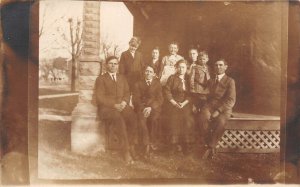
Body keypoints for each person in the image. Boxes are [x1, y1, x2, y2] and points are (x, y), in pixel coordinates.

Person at [95, 56, 138, 164]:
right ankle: (126, 151)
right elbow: (100, 97)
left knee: (133, 117)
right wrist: (114, 105)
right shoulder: (101, 79)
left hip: (122, 105)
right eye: (111, 63)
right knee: (119, 120)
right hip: (107, 108)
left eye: (115, 64)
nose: (113, 66)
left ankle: (131, 145)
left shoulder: (122, 77)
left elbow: (127, 93)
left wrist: (124, 102)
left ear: (118, 66)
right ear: (106, 65)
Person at [198, 59, 236, 159]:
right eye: (216, 65)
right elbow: (205, 94)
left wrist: (218, 111)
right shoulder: (211, 80)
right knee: (203, 118)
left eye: (220, 65)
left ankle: (210, 147)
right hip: (210, 106)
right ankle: (209, 145)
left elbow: (231, 100)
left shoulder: (230, 81)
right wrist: (201, 102)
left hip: (224, 108)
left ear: (225, 67)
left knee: (221, 122)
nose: (218, 67)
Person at [163, 59, 195, 155]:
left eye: (183, 67)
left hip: (185, 104)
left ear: (186, 68)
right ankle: (173, 144)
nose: (181, 69)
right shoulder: (172, 78)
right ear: (176, 68)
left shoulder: (189, 79)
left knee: (186, 118)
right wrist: (174, 102)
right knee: (174, 118)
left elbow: (191, 94)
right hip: (173, 103)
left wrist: (184, 103)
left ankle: (186, 145)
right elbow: (167, 91)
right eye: (180, 67)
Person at [132, 65, 164, 158]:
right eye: (147, 71)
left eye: (150, 71)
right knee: (142, 121)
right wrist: (143, 108)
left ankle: (152, 144)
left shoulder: (157, 84)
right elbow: (136, 100)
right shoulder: (138, 84)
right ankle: (146, 145)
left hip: (154, 108)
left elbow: (160, 99)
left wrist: (150, 107)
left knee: (154, 120)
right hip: (141, 108)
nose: (148, 73)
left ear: (154, 74)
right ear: (144, 72)